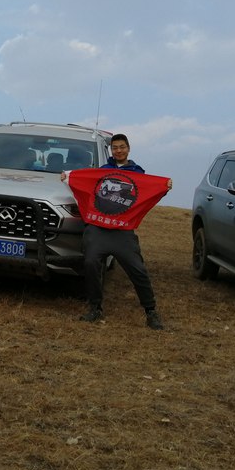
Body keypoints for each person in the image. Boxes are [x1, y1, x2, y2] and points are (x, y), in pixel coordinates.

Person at [62, 133, 172, 330]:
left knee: (137, 269)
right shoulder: (103, 171)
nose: (118, 151)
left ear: (128, 148)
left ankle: (151, 311)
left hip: (122, 231)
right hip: (98, 228)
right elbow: (87, 185)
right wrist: (69, 177)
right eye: (115, 148)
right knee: (90, 263)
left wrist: (164, 187)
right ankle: (95, 307)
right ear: (111, 150)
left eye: (122, 147)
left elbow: (145, 194)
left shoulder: (138, 172)